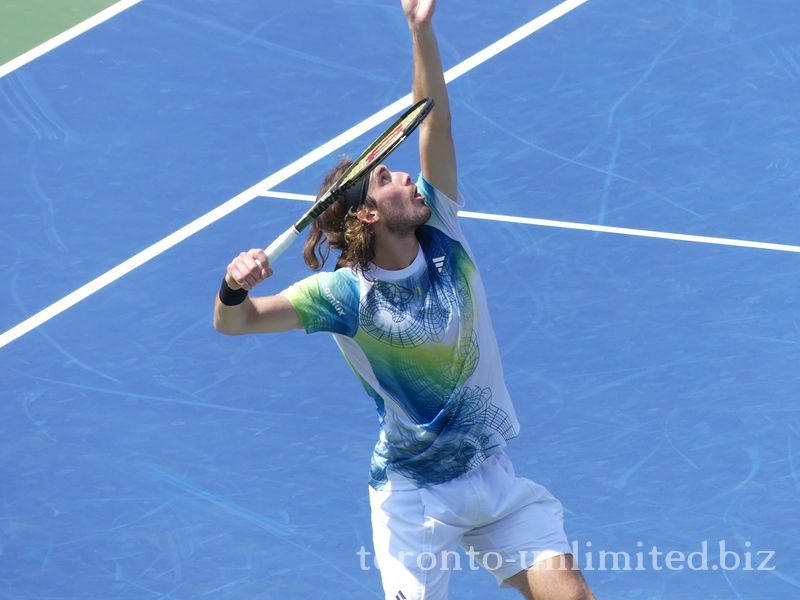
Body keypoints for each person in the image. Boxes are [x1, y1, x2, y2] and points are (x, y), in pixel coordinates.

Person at [214, 1, 596, 599]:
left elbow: (432, 123)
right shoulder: (342, 295)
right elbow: (235, 324)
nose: (409, 179)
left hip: (490, 474)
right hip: (415, 500)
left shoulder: (442, 229)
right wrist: (233, 285)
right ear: (367, 213)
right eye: (388, 179)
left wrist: (421, 30)